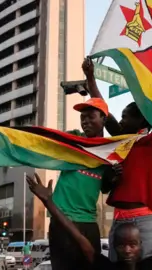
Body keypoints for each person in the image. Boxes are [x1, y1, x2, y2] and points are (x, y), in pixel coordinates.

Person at [26, 173, 152, 270]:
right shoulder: (105, 267)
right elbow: (76, 235)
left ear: (140, 246)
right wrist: (49, 202)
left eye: (132, 244)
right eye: (122, 245)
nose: (127, 250)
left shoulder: (149, 266)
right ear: (114, 246)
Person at [83, 58, 152, 261]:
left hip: (144, 219)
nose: (122, 121)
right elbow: (104, 111)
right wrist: (90, 77)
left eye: (126, 117)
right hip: (118, 219)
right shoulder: (121, 142)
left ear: (141, 120)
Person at [46, 98, 114, 270]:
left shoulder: (110, 152)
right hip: (62, 221)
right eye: (82, 118)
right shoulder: (74, 138)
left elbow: (105, 187)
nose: (85, 121)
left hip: (89, 223)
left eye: (91, 117)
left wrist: (115, 176)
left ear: (103, 119)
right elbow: (48, 140)